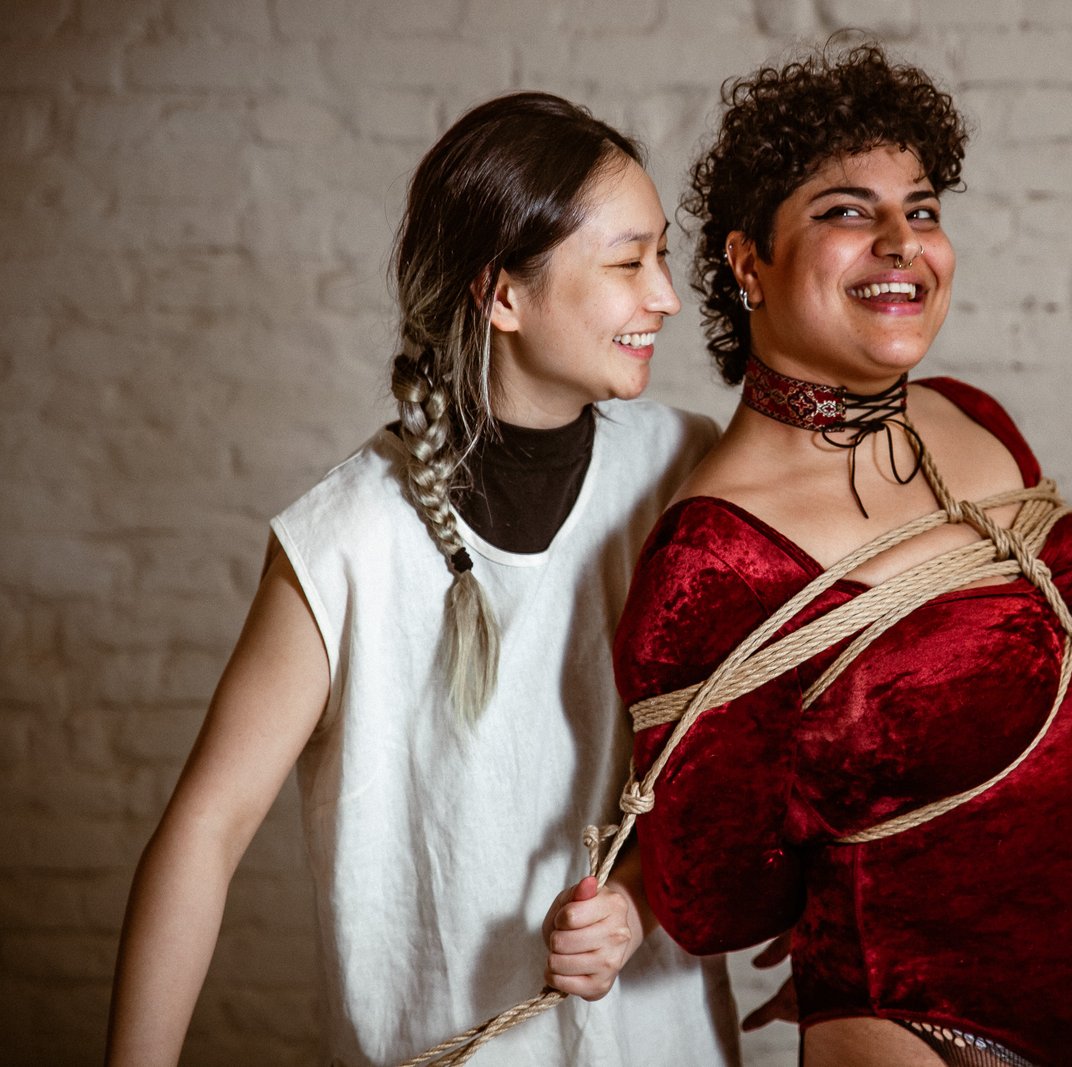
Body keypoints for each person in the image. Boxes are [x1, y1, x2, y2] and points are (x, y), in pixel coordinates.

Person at [613, 44, 1072, 1067]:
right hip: (944, 1027)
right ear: (748, 262)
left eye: (924, 209)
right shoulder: (713, 555)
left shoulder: (968, 415)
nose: (903, 242)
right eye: (847, 211)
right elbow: (716, 894)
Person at [105, 92, 739, 1067]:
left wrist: (639, 900)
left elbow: (740, 766)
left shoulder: (685, 469)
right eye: (628, 263)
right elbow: (206, 828)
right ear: (503, 296)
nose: (665, 296)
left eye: (661, 256)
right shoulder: (344, 540)